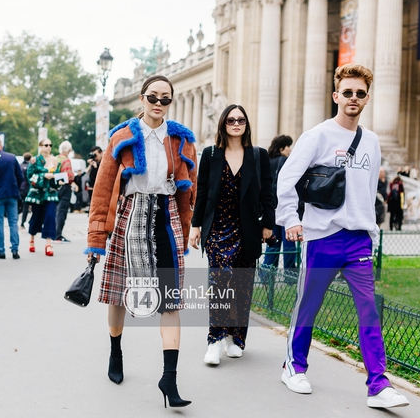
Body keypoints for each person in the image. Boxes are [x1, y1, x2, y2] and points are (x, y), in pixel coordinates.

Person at [275, 64, 409, 408]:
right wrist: (290, 218)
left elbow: (367, 191)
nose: (353, 98)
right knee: (308, 306)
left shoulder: (372, 141)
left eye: (359, 93)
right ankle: (294, 366)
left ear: (366, 98)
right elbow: (287, 178)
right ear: (336, 96)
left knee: (369, 312)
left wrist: (372, 233)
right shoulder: (318, 135)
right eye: (347, 92)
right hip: (322, 238)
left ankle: (378, 386)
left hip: (359, 240)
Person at [85, 75, 197, 408]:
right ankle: (115, 351)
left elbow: (188, 191)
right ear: (141, 97)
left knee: (171, 299)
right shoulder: (121, 137)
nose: (159, 104)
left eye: (166, 99)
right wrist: (95, 239)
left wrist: (187, 228)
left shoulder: (181, 140)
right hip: (130, 215)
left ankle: (169, 378)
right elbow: (103, 191)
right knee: (119, 293)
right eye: (153, 98)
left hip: (167, 218)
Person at [189, 105, 274, 366]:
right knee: (220, 285)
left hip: (247, 229)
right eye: (230, 120)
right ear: (223, 124)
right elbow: (201, 192)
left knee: (242, 287)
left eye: (241, 120)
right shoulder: (211, 154)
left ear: (247, 124)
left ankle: (235, 339)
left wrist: (268, 224)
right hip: (217, 229)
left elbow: (268, 194)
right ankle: (214, 340)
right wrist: (195, 225)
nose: (236, 123)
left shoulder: (258, 155)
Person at [260, 134, 297, 284]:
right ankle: (290, 276)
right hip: (283, 207)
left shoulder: (268, 161)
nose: (290, 150)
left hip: (270, 208)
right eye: (288, 147)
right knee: (289, 243)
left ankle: (266, 273)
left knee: (273, 242)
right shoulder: (284, 162)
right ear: (282, 148)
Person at [0, 138, 24, 260]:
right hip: (12, 193)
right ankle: (15, 250)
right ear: (2, 146)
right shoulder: (11, 157)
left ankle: (1, 250)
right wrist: (16, 187)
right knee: (13, 223)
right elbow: (20, 176)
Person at [25, 138, 61, 257]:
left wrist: (58, 181)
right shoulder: (35, 160)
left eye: (50, 145)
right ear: (40, 146)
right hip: (37, 194)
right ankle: (32, 238)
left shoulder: (55, 160)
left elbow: (57, 176)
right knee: (36, 216)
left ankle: (48, 243)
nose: (49, 147)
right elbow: (30, 176)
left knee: (50, 216)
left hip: (51, 193)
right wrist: (44, 176)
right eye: (46, 145)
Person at [54, 141, 75, 243]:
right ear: (69, 150)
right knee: (62, 211)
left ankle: (53, 232)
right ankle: (58, 234)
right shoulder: (66, 160)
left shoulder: (56, 158)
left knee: (55, 210)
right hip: (65, 187)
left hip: (55, 186)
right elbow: (69, 176)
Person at [19, 152, 33, 227]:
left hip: (20, 188)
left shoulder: (19, 165)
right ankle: (23, 222)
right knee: (26, 206)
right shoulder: (30, 167)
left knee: (19, 205)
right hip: (27, 189)